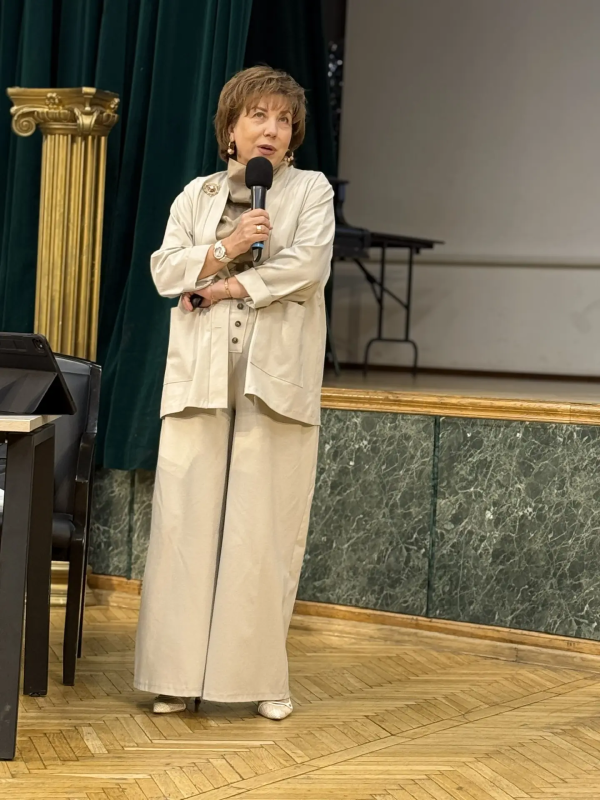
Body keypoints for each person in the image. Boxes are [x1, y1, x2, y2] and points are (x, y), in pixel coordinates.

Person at [133, 66, 335, 721]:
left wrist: (220, 286)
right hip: (199, 375)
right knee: (184, 527)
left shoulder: (310, 190)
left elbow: (307, 266)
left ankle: (259, 678)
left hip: (274, 378)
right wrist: (227, 246)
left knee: (263, 532)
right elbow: (165, 270)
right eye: (259, 116)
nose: (272, 129)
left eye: (284, 119)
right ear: (231, 127)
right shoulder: (196, 196)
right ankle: (175, 676)